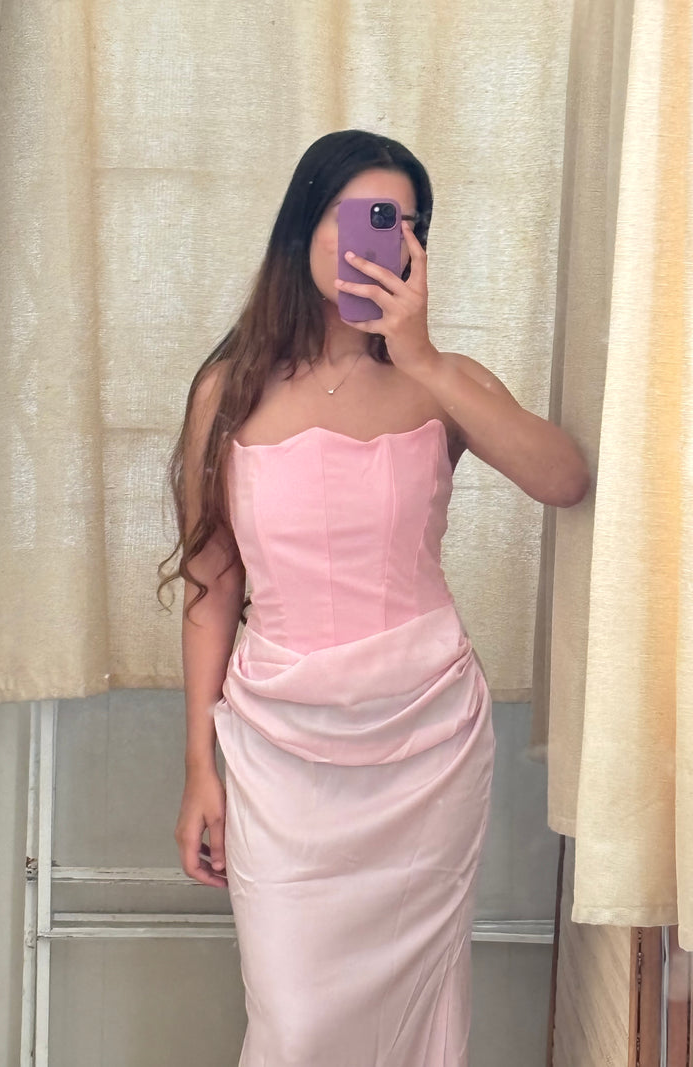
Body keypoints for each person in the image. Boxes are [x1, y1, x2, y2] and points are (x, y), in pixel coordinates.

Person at [158, 129, 590, 1067]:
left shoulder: (442, 380)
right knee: (293, 1021)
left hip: (426, 742)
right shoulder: (227, 391)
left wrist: (422, 357)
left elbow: (564, 478)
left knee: (414, 1014)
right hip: (279, 749)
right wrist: (200, 764)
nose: (384, 239)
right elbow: (211, 586)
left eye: (406, 223)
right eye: (365, 215)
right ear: (304, 225)